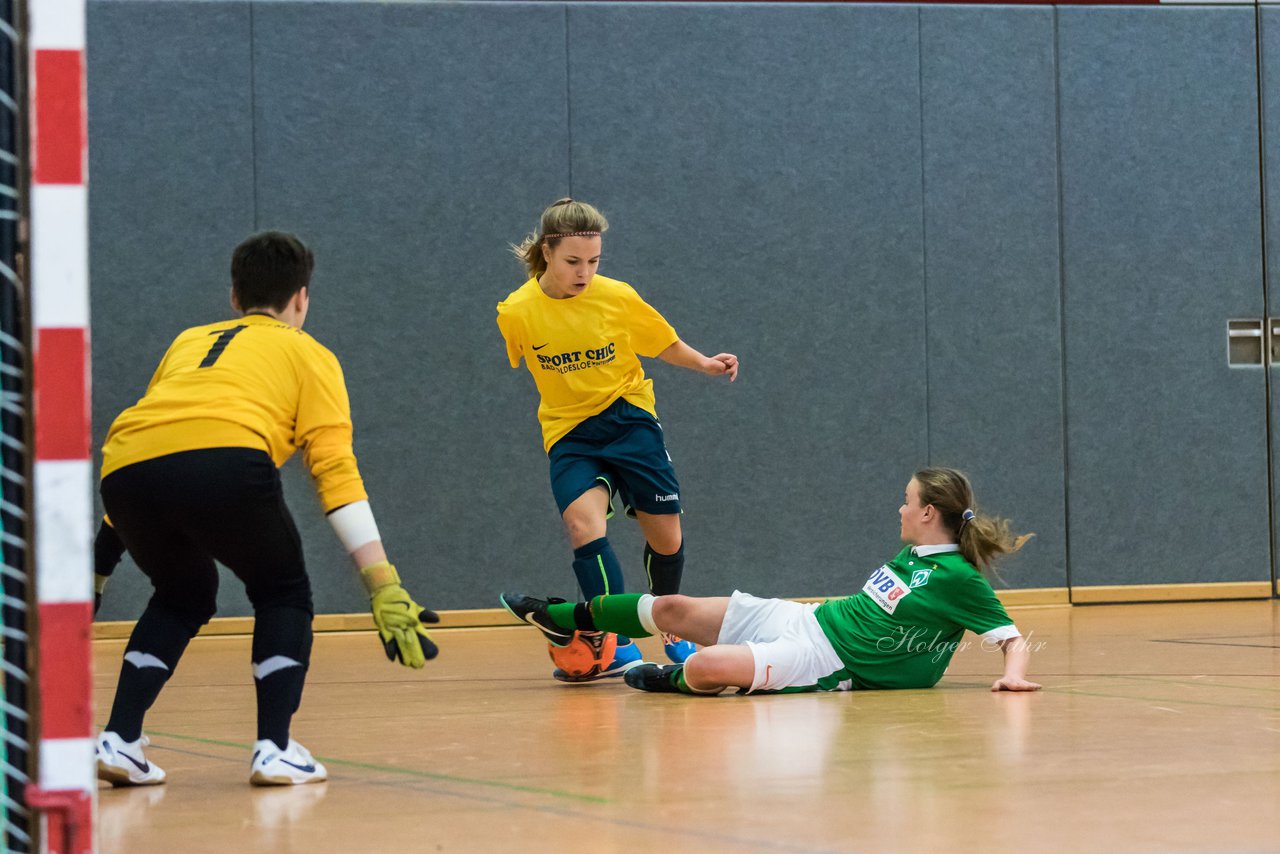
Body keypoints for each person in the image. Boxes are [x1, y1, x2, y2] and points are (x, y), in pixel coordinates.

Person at [93, 231, 438, 787]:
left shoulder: (188, 341)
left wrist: (100, 566)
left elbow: (159, 441)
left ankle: (120, 738)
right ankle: (274, 748)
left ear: (234, 296)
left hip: (123, 470)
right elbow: (335, 470)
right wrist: (381, 582)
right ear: (302, 298)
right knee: (282, 592)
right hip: (227, 459)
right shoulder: (310, 353)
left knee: (183, 594)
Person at [502, 467, 1041, 695]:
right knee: (671, 607)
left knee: (703, 665)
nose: (900, 507)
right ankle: (560, 617)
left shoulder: (958, 578)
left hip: (829, 661)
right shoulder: (915, 555)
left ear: (928, 513)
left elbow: (1010, 638)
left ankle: (654, 675)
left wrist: (1013, 677)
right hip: (808, 618)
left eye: (907, 499)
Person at [496, 198, 738, 681]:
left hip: (629, 420)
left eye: (593, 261)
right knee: (584, 528)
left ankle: (672, 624)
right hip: (570, 433)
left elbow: (663, 342)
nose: (584, 272)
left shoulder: (617, 297)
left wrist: (706, 363)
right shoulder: (516, 312)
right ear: (547, 251)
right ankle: (615, 637)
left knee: (666, 538)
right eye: (573, 262)